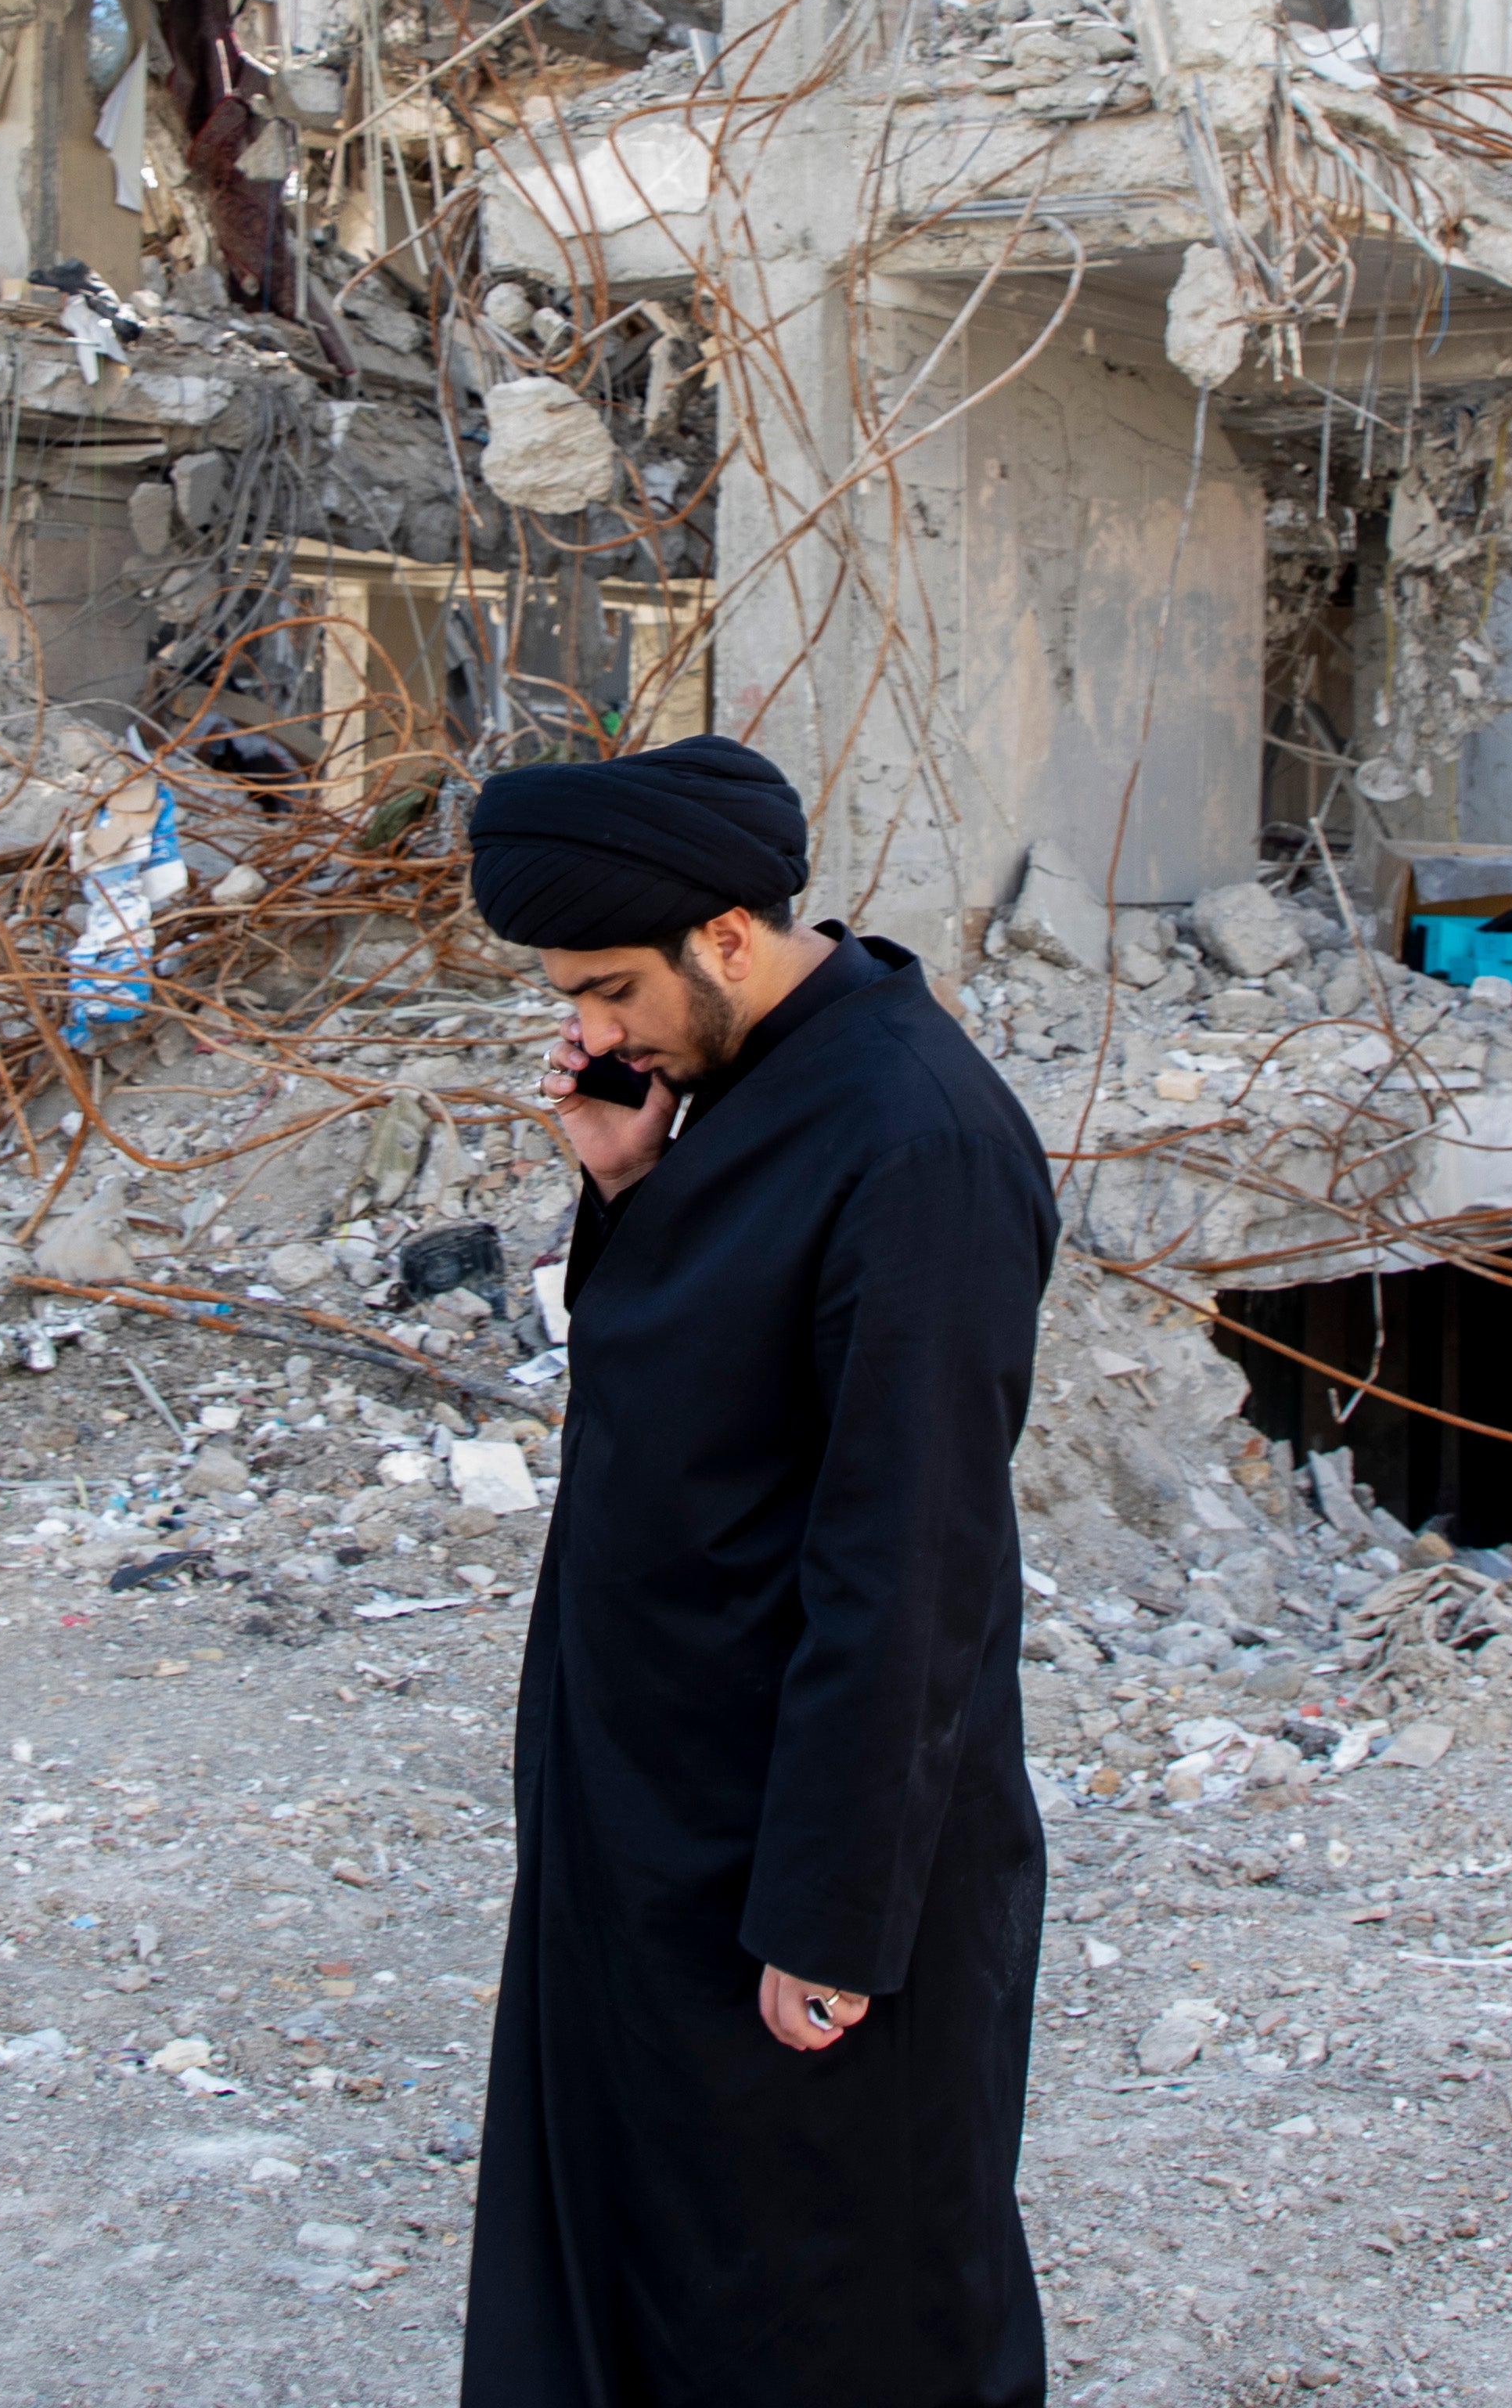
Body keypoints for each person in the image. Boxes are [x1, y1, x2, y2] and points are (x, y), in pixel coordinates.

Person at [450, 733, 1059, 2408]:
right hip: (657, 1819)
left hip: (794, 1846)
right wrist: (630, 1189)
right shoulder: (751, 1097)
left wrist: (833, 1913)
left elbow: (913, 1560)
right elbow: (704, 1401)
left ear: (727, 933)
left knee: (834, 2283)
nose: (589, 1030)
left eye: (609, 985)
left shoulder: (912, 1137)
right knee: (649, 2248)